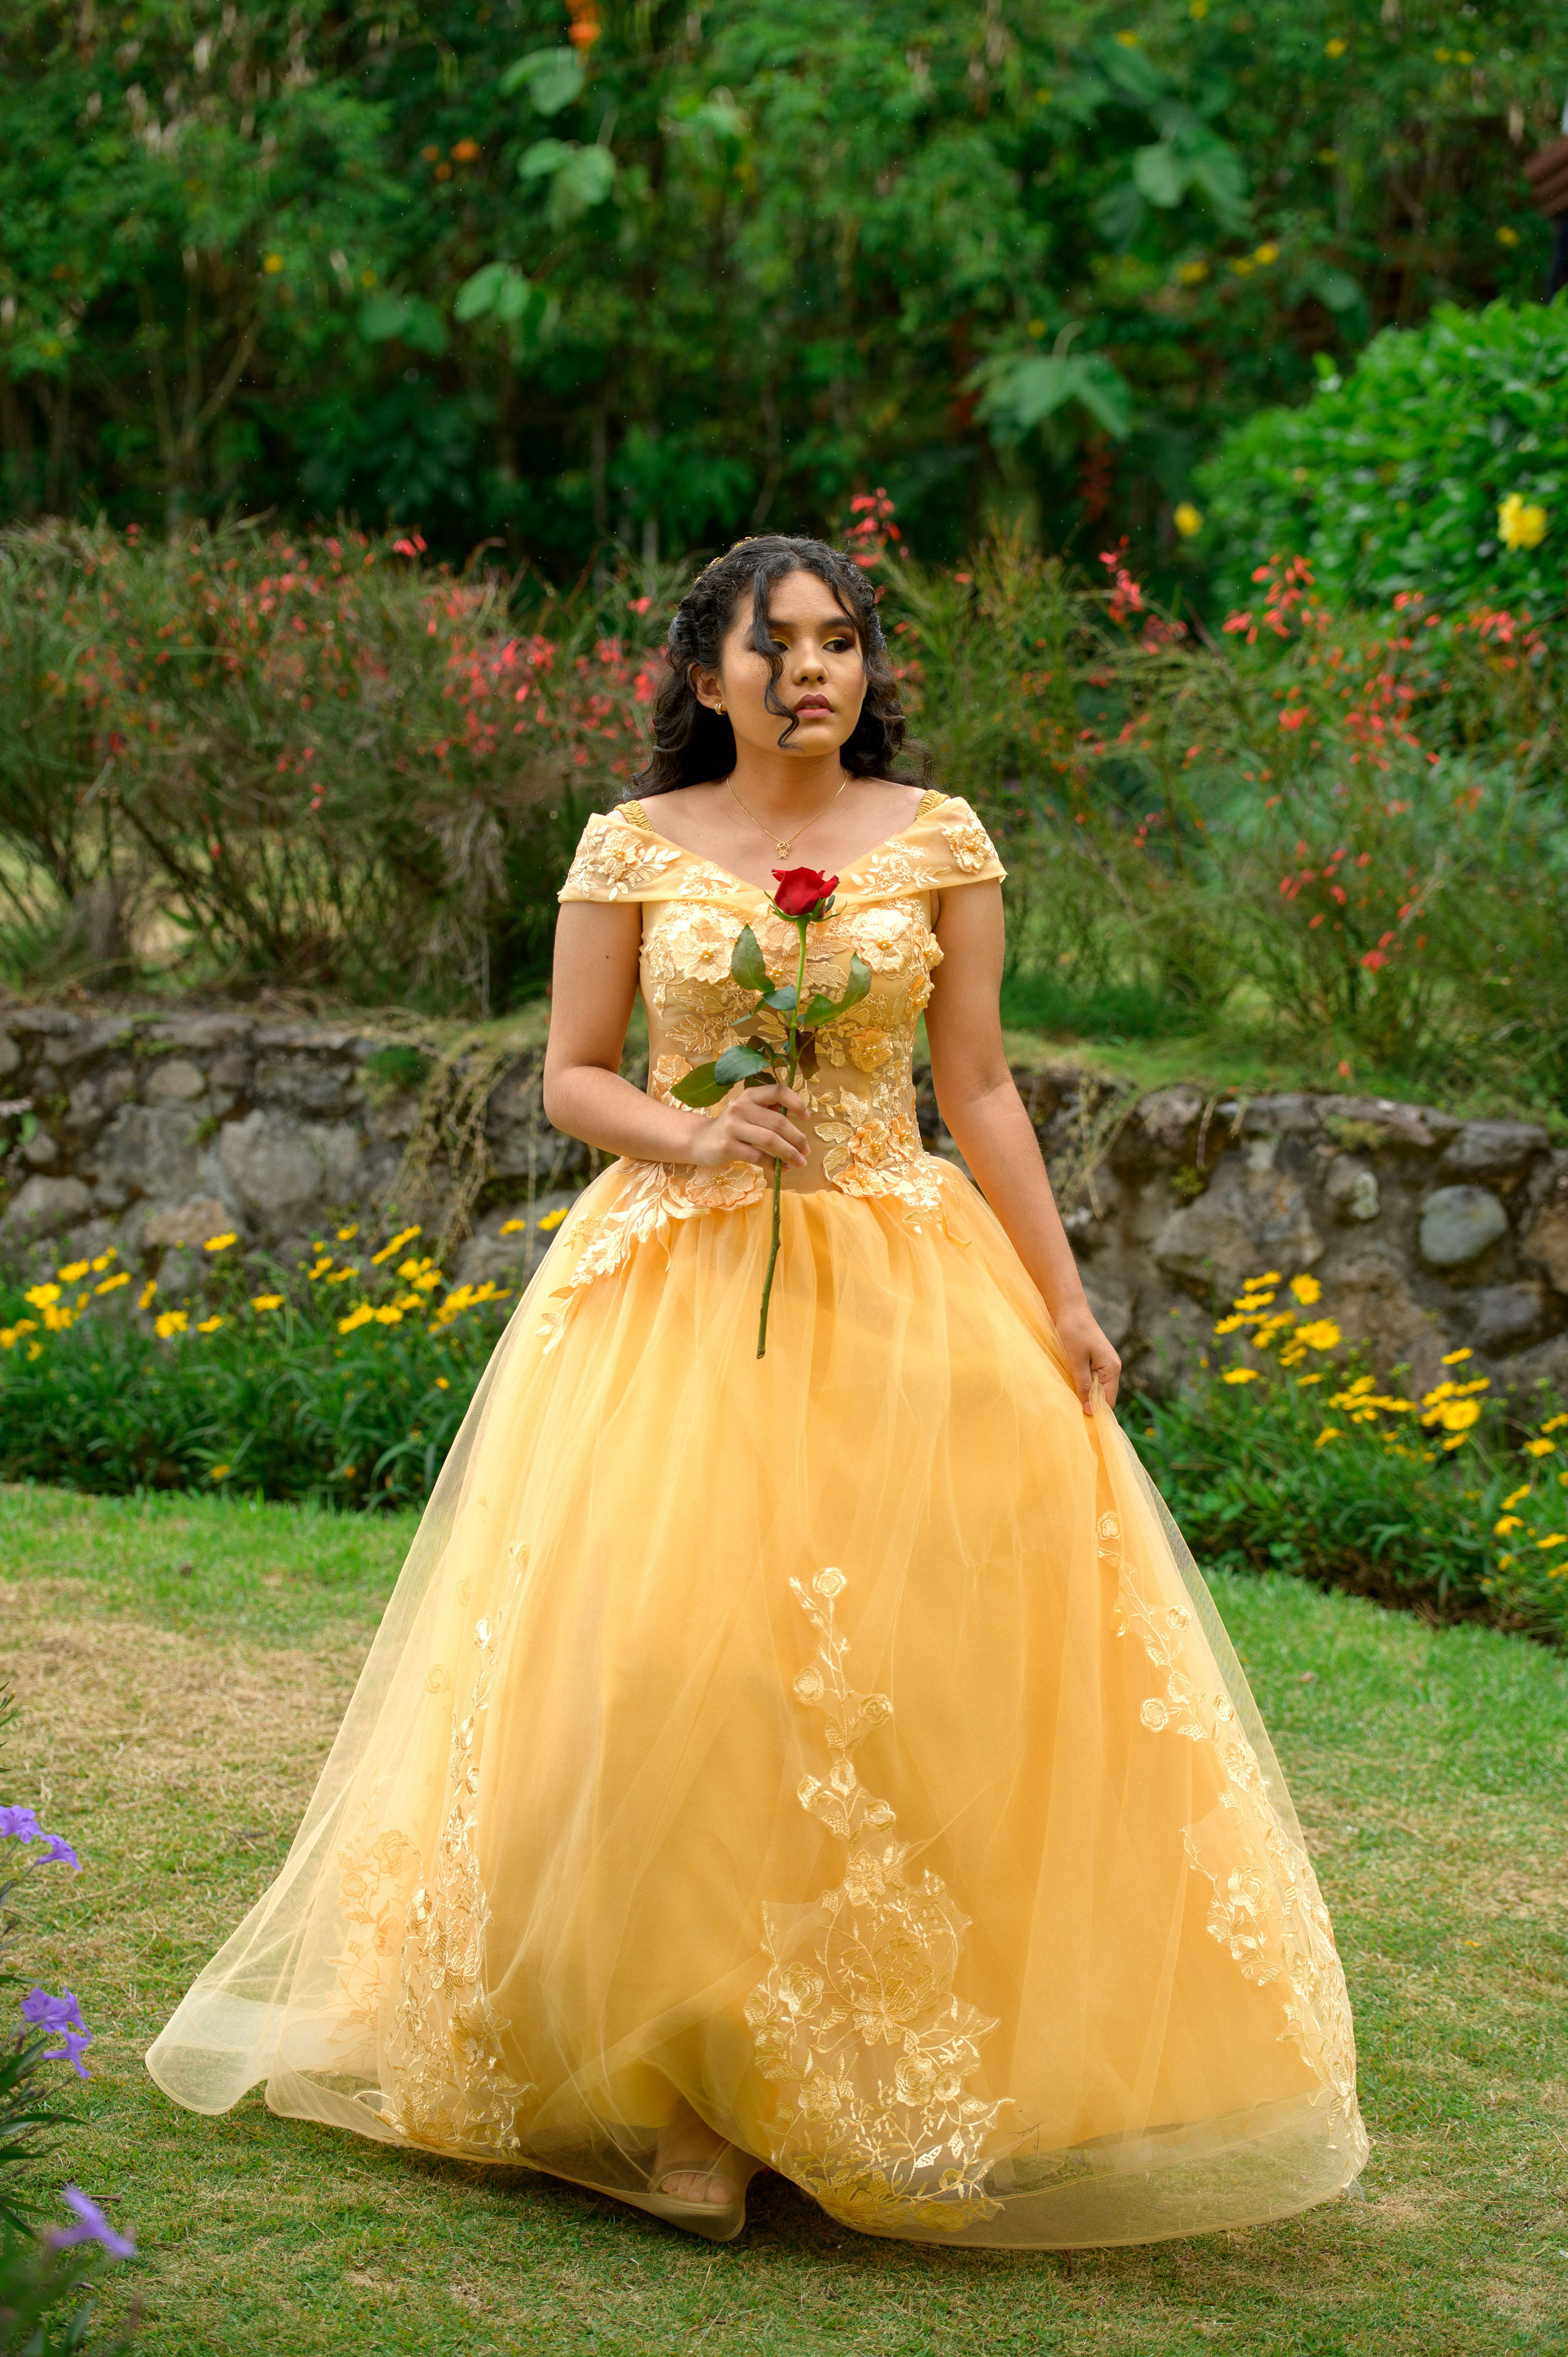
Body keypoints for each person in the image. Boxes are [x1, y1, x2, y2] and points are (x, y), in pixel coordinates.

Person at [147, 534, 1368, 2249]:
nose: (815, 670)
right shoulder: (631, 850)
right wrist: (699, 1128)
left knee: (912, 1676)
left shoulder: (938, 836)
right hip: (677, 1290)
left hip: (900, 1274)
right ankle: (688, 2097)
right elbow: (576, 1079)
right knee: (681, 1670)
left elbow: (985, 1085)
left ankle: (888, 2081)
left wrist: (1065, 1297)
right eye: (776, 643)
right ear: (705, 673)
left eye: (842, 641)